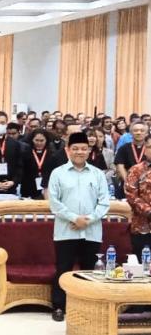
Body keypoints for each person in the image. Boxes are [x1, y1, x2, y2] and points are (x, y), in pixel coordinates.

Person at [47, 132, 110, 322]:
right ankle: (59, 306)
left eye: (83, 148)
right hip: (66, 230)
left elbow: (104, 203)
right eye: (75, 149)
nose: (79, 152)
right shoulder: (58, 173)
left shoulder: (98, 174)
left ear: (89, 150)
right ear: (67, 150)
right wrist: (74, 218)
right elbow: (54, 203)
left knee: (88, 270)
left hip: (92, 231)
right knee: (63, 269)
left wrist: (87, 220)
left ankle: (86, 306)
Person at [125, 134, 151, 258]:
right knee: (141, 267)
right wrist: (149, 211)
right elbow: (131, 196)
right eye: (150, 147)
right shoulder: (136, 170)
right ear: (145, 149)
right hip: (142, 226)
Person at [115, 121, 148, 199]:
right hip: (127, 184)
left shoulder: (149, 148)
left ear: (146, 133)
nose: (138, 133)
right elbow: (120, 166)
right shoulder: (123, 148)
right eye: (135, 130)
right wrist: (128, 181)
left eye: (142, 130)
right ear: (131, 133)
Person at [21, 129, 52, 199]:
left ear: (46, 140)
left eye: (42, 140)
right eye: (36, 140)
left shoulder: (52, 154)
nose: (39, 143)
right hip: (29, 188)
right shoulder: (26, 153)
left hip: (46, 188)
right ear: (32, 140)